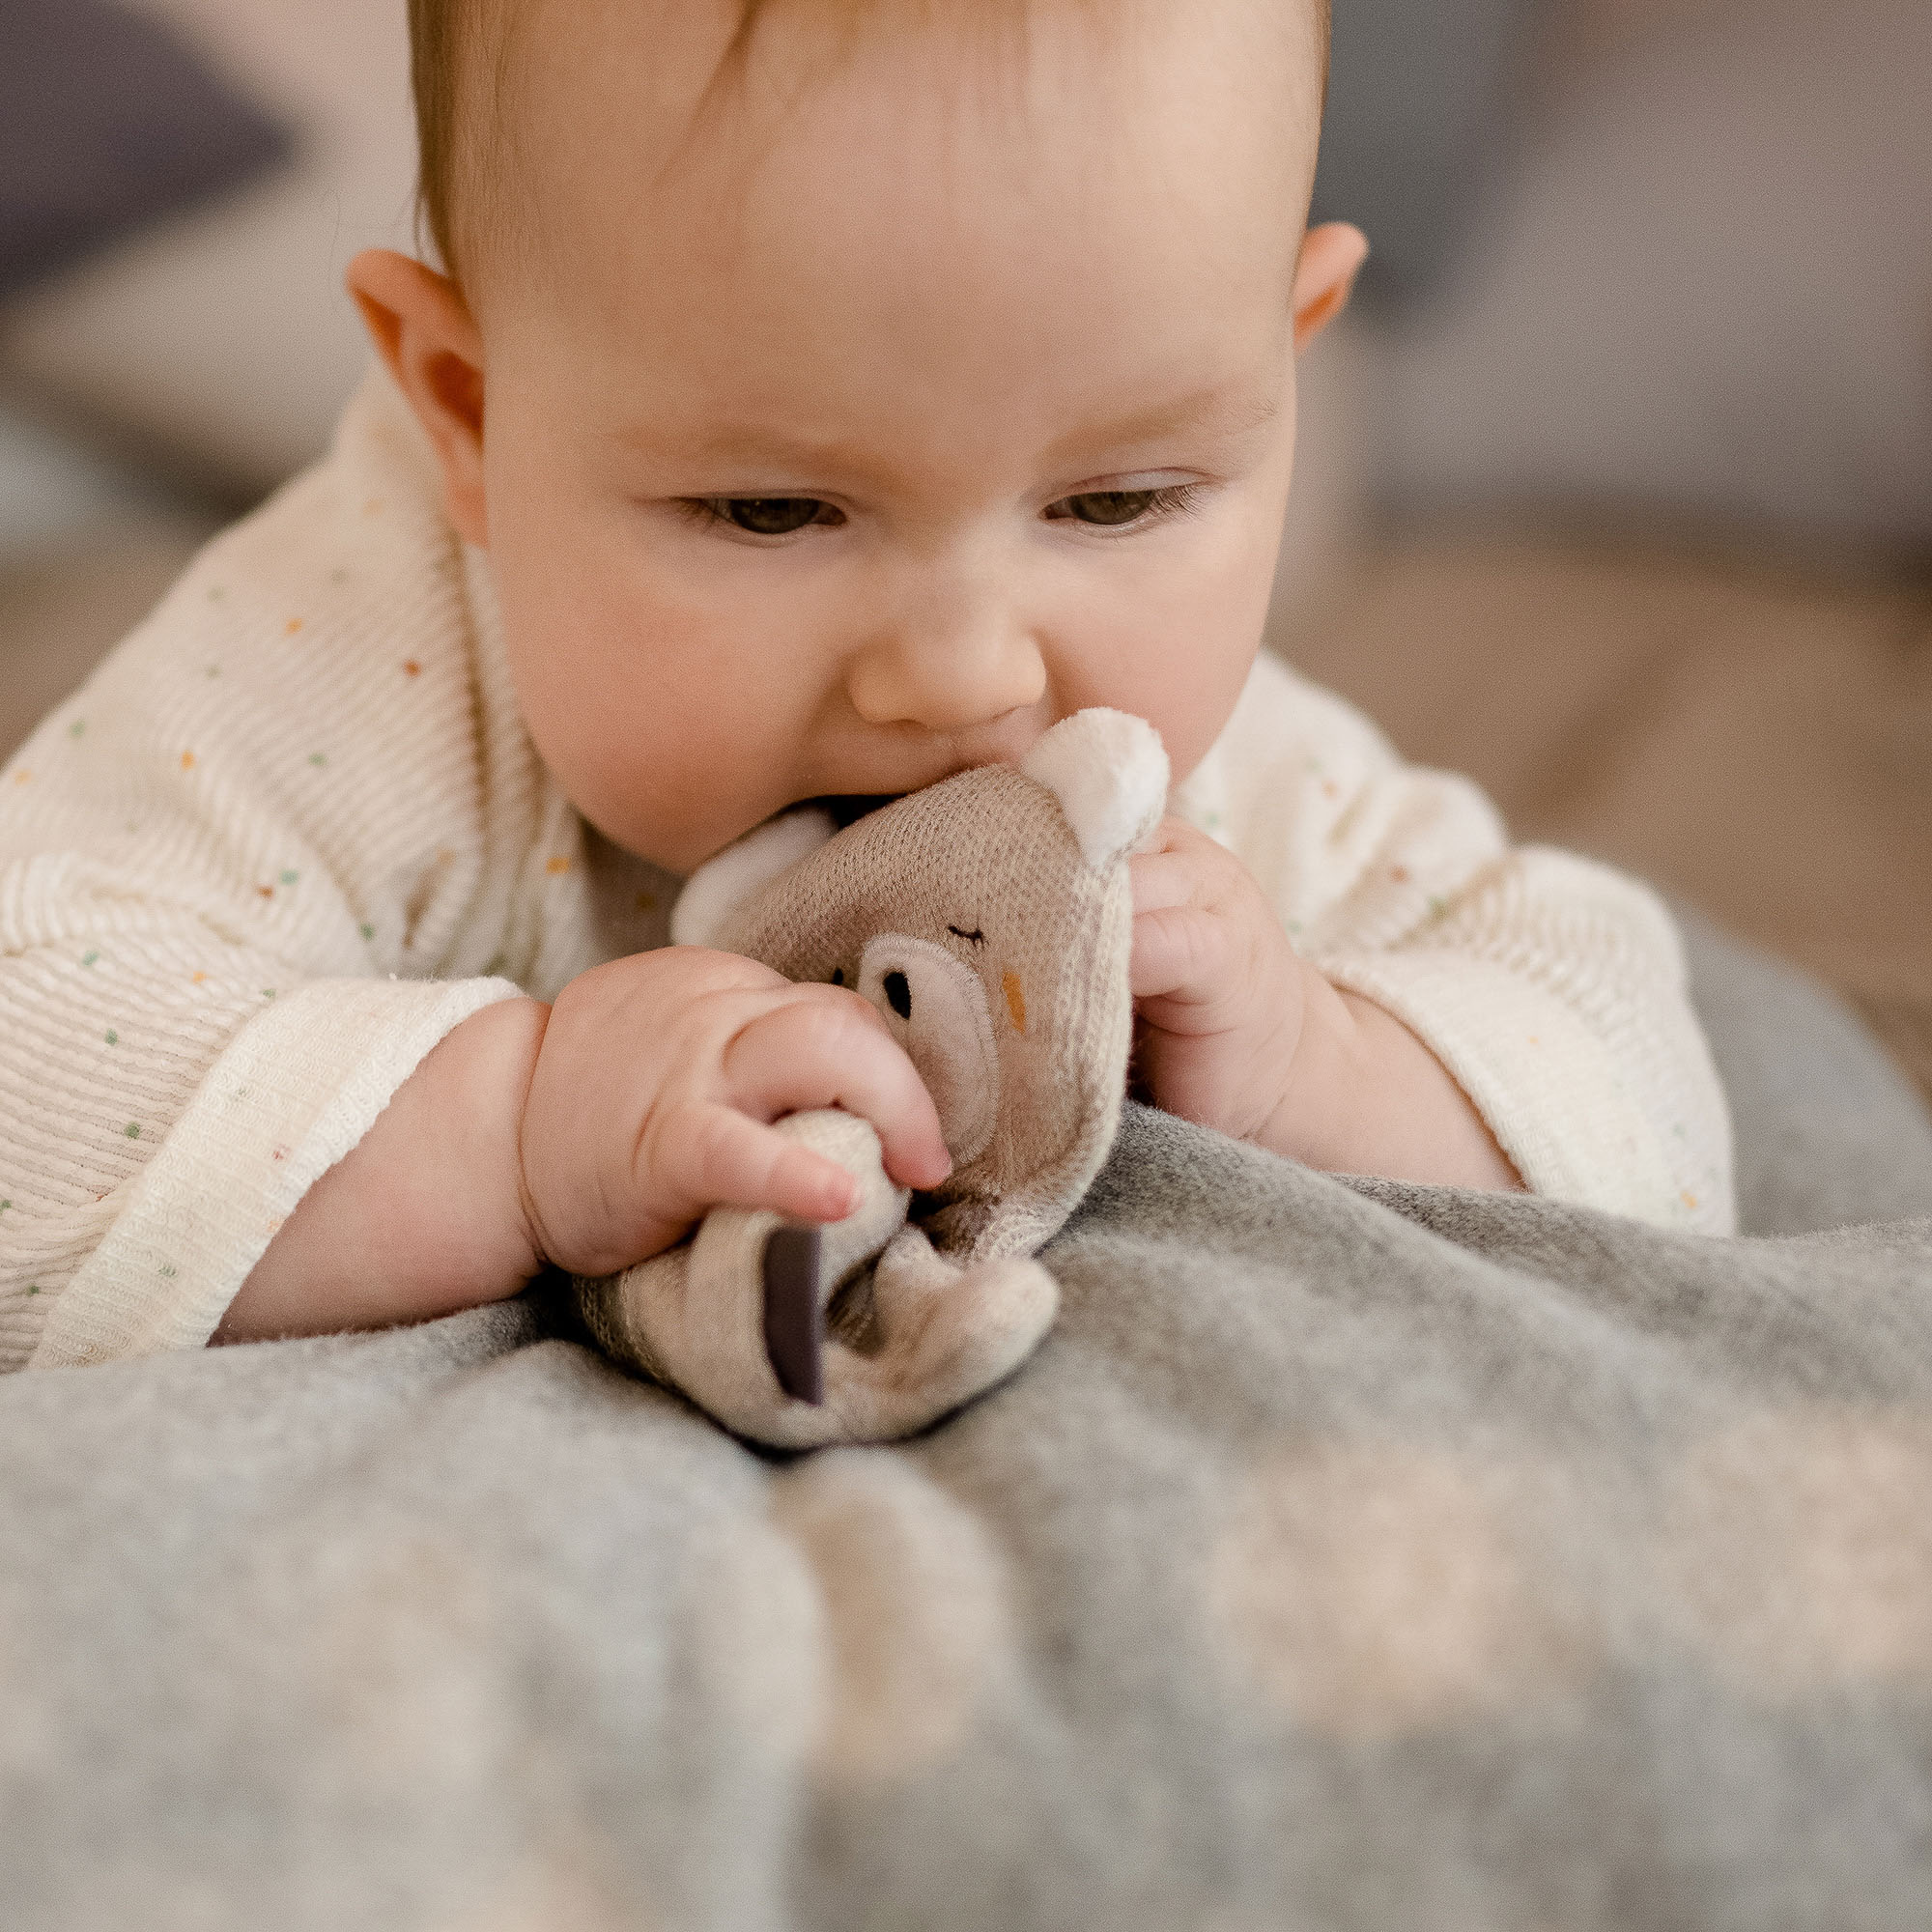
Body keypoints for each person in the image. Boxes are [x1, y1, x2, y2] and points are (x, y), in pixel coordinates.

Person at [0, 0, 1732, 1375]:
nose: (971, 673)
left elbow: (1639, 1100)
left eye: (1116, 501)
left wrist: (1309, 1058)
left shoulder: (1172, 791)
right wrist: (515, 1123)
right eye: (772, 509)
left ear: (1278, 374)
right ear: (469, 412)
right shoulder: (365, 659)